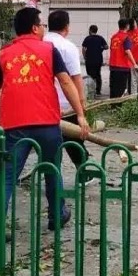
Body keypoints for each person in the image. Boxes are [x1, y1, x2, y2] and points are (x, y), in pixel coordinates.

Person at [0, 7, 90, 247]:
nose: (43, 29)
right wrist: (81, 115)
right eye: (41, 25)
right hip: (47, 124)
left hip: (14, 126)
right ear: (33, 28)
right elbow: (66, 82)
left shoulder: (4, 54)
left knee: (6, 177)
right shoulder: (49, 50)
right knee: (52, 169)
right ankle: (57, 215)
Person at [44, 10, 88, 169]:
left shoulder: (40, 43)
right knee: (75, 141)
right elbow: (75, 78)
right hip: (65, 103)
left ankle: (49, 171)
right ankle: (83, 171)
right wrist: (81, 103)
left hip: (44, 103)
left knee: (47, 142)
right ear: (67, 27)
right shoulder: (68, 47)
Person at [108, 18, 137, 98]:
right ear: (127, 26)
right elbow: (127, 51)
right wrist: (134, 63)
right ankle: (118, 104)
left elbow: (112, 49)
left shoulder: (114, 37)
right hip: (122, 67)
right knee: (120, 89)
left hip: (113, 66)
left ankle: (112, 103)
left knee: (113, 87)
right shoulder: (126, 38)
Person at [81, 24, 108, 97]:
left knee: (90, 75)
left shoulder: (87, 38)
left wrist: (85, 57)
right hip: (98, 60)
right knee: (98, 74)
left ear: (90, 30)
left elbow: (83, 49)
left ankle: (91, 91)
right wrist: (100, 48)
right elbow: (106, 47)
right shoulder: (100, 38)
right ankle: (98, 91)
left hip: (89, 60)